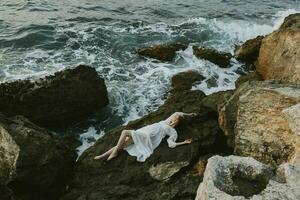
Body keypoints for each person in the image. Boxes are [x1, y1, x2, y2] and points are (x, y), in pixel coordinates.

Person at [94, 112, 197, 162]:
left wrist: (184, 142)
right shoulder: (166, 121)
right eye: (173, 118)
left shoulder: (172, 131)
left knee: (125, 132)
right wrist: (189, 114)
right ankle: (103, 156)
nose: (172, 118)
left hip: (147, 137)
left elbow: (171, 144)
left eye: (174, 119)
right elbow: (178, 113)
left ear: (176, 121)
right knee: (123, 144)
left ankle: (114, 153)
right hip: (143, 131)